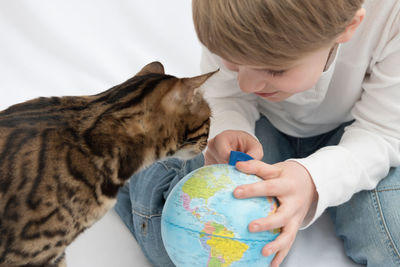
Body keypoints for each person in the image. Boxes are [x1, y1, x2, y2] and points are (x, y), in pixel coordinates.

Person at [115, 0, 400, 266]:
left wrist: (314, 180)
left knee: (391, 241)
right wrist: (229, 127)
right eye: (232, 61)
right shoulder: (229, 10)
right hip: (264, 123)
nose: (246, 82)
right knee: (179, 241)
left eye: (274, 69)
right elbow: (227, 95)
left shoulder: (392, 16)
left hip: (361, 134)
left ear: (349, 26)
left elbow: (384, 131)